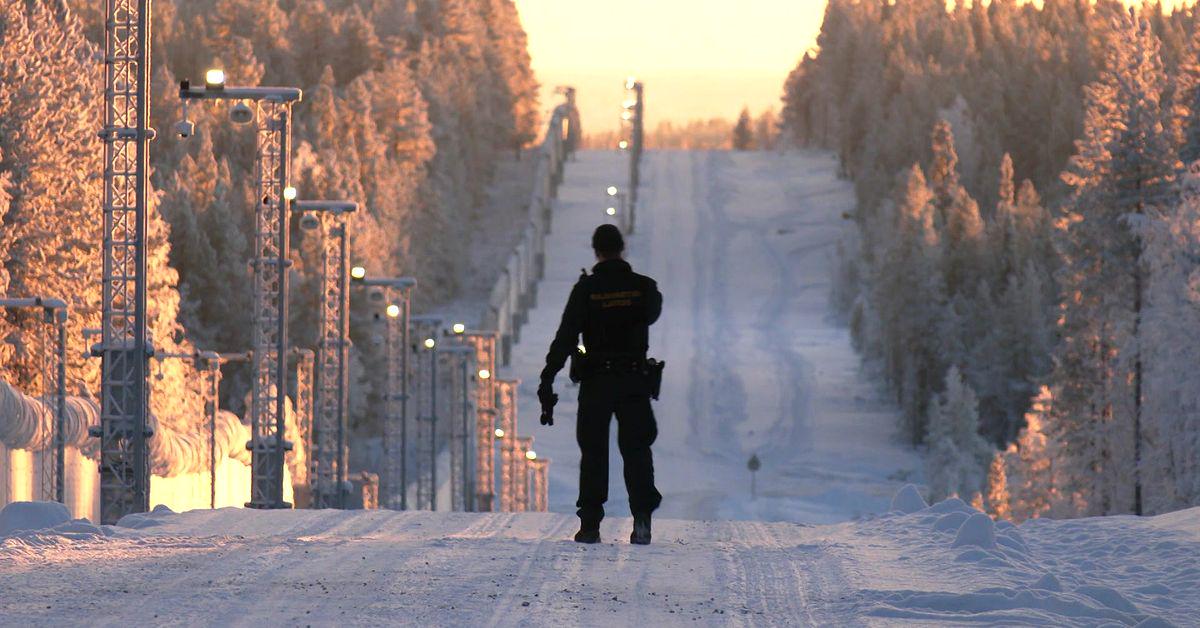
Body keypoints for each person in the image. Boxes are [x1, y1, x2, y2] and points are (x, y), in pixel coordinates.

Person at [538, 224, 663, 545]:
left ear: (596, 251)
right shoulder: (644, 288)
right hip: (634, 379)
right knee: (636, 449)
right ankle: (642, 521)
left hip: (596, 382)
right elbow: (652, 313)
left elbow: (566, 337)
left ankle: (591, 525)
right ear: (622, 248)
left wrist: (548, 376)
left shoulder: (586, 290)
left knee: (594, 452)